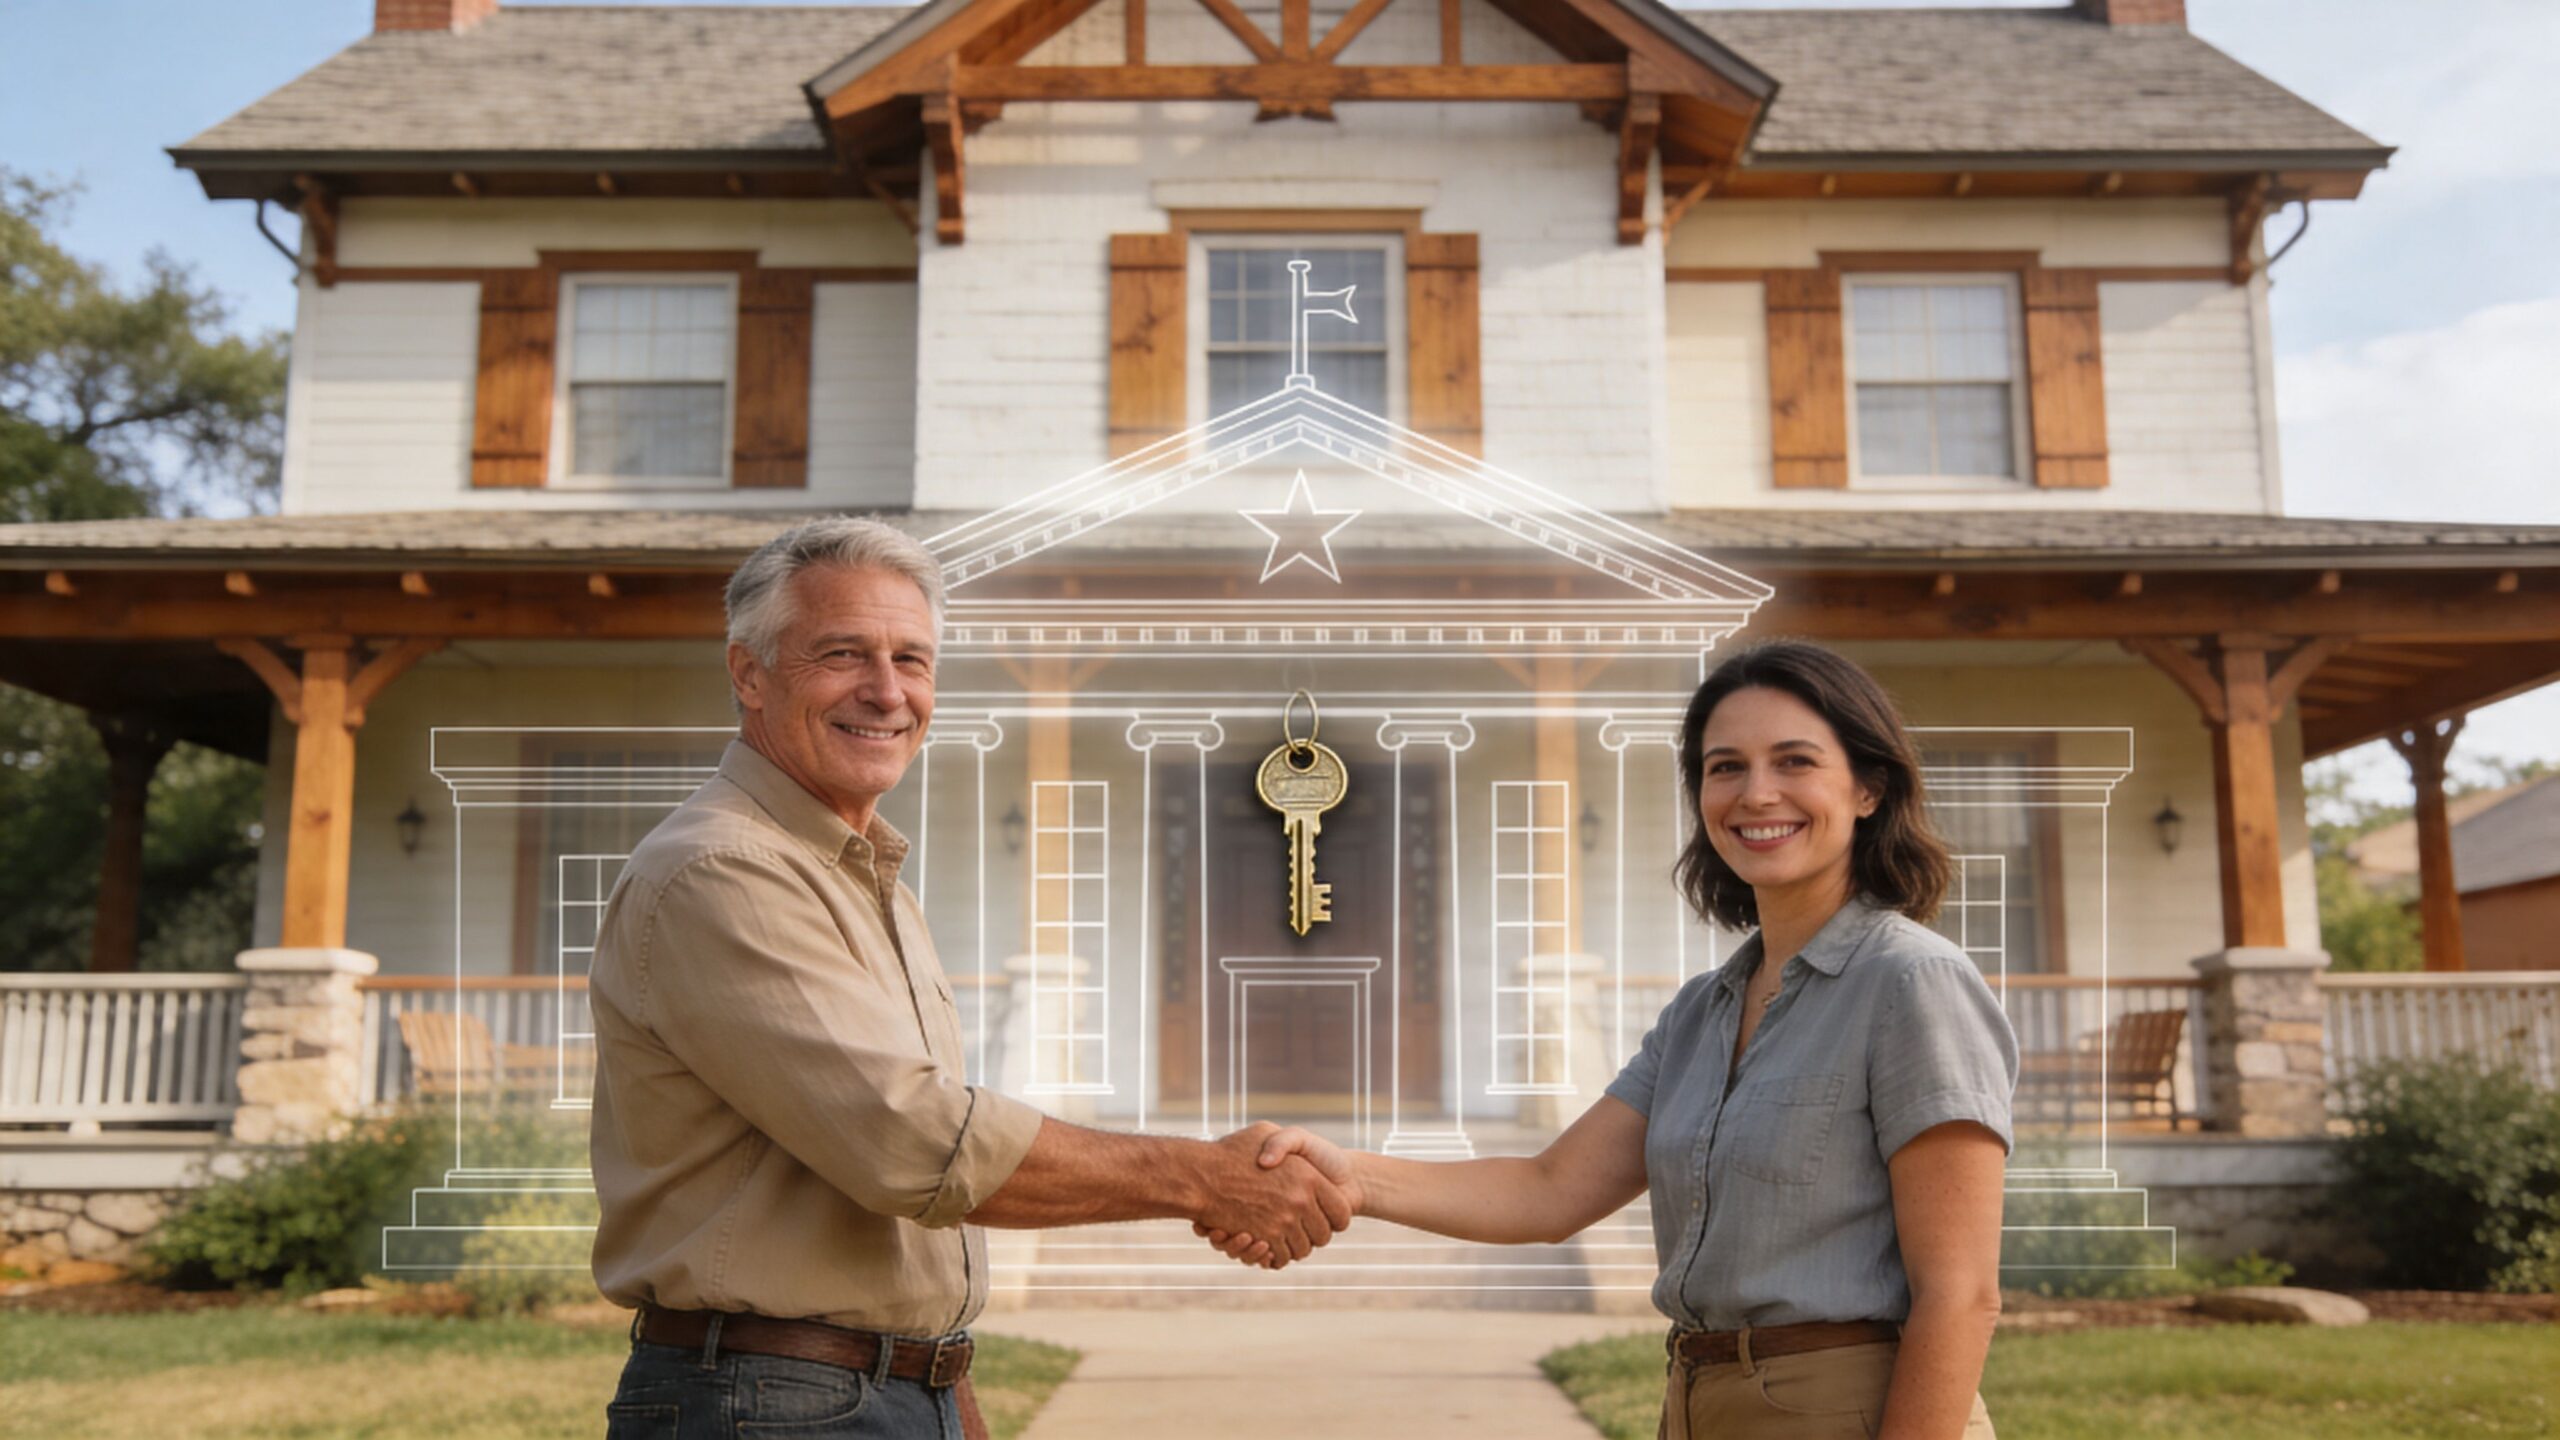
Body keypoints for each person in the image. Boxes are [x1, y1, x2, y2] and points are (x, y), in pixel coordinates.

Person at [588, 516, 1351, 1440]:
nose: (886, 691)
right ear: (749, 672)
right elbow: (913, 1143)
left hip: (878, 1391)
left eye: (913, 660)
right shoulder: (722, 870)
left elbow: (906, 1191)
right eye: (842, 654)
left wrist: (944, 1382)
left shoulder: (858, 873)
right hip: (770, 1403)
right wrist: (1203, 1179)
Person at [1213, 640, 2017, 1439]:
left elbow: (1961, 1294)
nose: (1756, 793)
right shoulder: (1702, 1012)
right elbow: (1549, 1188)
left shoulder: (1911, 983)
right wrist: (1347, 1174)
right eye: (1725, 767)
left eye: (1795, 761)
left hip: (1855, 1411)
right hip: (1699, 1400)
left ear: (1869, 788)